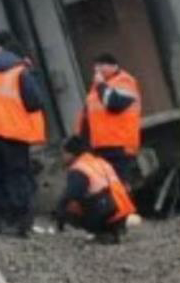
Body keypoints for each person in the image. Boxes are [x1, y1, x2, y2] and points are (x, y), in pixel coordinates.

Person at [0, 31, 45, 236]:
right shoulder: (20, 72)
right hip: (13, 133)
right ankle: (20, 222)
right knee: (17, 176)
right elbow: (34, 103)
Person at [75, 52, 141, 185]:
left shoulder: (125, 81)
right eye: (95, 68)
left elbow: (113, 104)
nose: (97, 71)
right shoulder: (98, 87)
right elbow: (88, 116)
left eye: (101, 66)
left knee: (120, 187)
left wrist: (100, 85)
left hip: (119, 146)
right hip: (101, 147)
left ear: (114, 66)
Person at [56, 136, 136, 243]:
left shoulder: (79, 168)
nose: (62, 157)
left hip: (107, 212)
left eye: (63, 153)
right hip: (122, 211)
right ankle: (114, 231)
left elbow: (71, 194)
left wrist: (59, 217)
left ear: (72, 153)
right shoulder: (100, 162)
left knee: (69, 205)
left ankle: (101, 232)